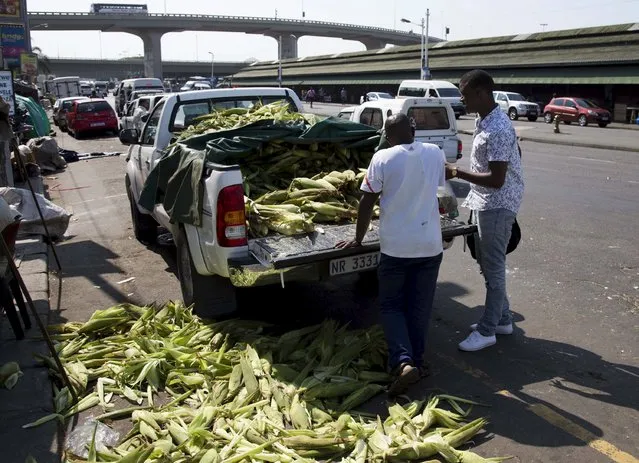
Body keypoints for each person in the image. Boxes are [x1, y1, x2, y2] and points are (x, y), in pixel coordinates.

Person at [336, 114, 445, 395]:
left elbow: (366, 201)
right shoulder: (435, 153)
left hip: (397, 248)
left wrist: (358, 239)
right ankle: (417, 362)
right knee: (419, 307)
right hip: (430, 245)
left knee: (392, 306)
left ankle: (403, 362)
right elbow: (438, 185)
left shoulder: (382, 158)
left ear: (387, 135)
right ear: (413, 128)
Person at [445, 69, 524, 352]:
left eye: (465, 95)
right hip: (482, 202)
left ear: (481, 93)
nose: (462, 100)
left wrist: (457, 172)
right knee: (486, 262)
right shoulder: (484, 120)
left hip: (497, 204)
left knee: (494, 267)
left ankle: (488, 330)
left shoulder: (499, 128)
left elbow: (496, 178)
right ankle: (502, 319)